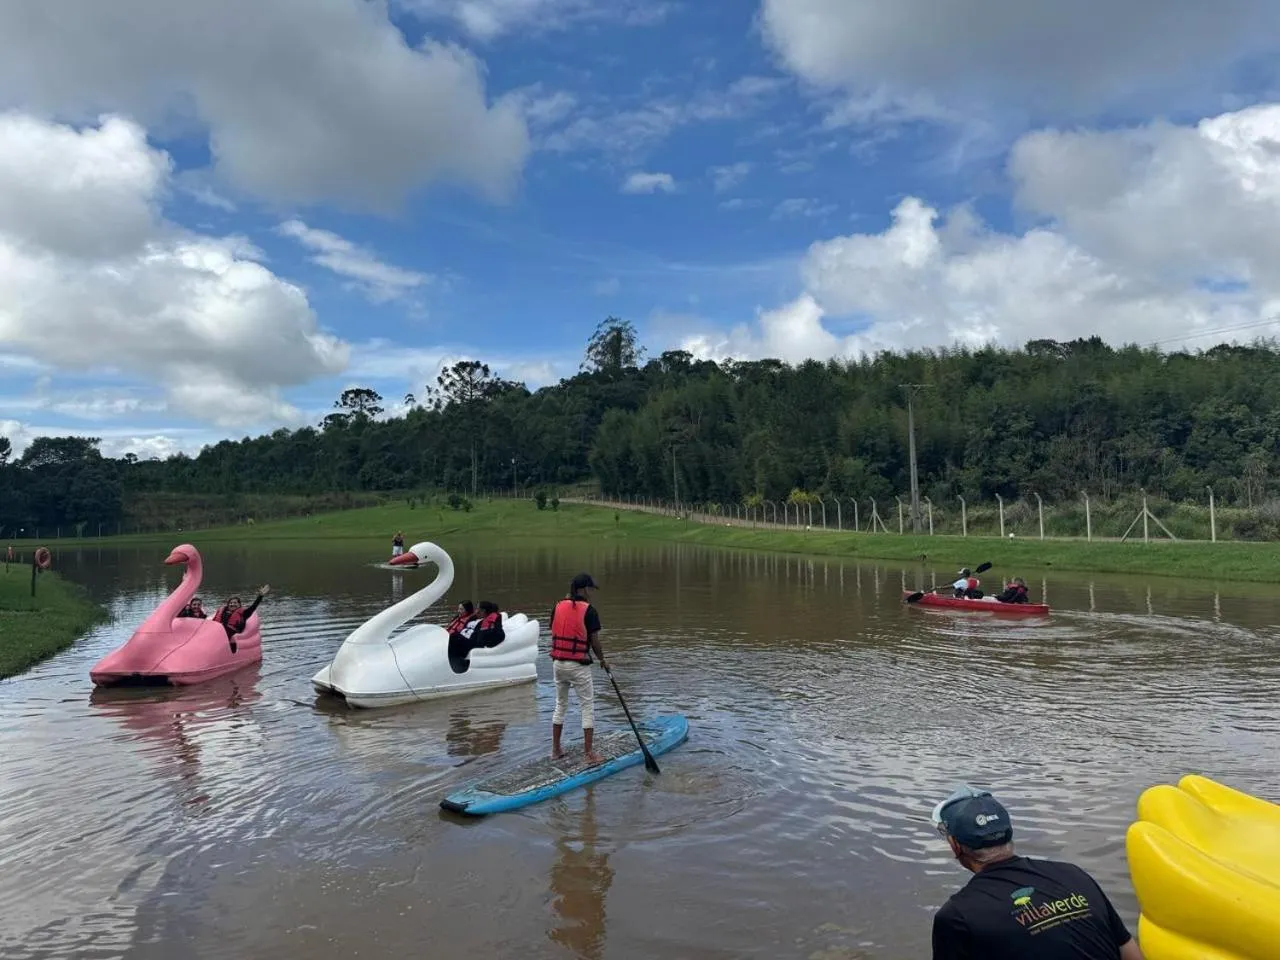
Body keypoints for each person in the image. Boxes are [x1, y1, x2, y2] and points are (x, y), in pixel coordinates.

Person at [930, 785, 1144, 960]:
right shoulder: (1073, 875)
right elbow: (1129, 952)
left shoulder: (957, 915)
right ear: (1009, 833)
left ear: (955, 845)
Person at [549, 572, 606, 764]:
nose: (592, 592)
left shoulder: (558, 606)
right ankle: (589, 754)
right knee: (587, 707)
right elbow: (594, 642)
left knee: (560, 705)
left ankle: (556, 750)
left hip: (558, 663)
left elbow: (553, 627)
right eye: (590, 589)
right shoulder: (589, 610)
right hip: (578, 665)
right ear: (584, 589)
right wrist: (602, 660)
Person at [215, 584, 270, 653]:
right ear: (228, 605)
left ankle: (226, 651)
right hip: (220, 632)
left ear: (239, 605)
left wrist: (260, 596)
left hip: (232, 633)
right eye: (230, 603)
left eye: (235, 603)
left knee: (223, 629)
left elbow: (253, 607)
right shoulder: (223, 612)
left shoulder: (244, 614)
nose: (232, 604)